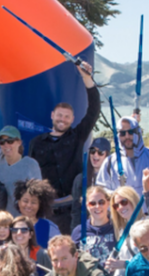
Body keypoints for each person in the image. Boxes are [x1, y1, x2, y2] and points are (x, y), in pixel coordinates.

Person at [29, 61, 100, 235]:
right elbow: (31, 175)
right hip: (46, 211)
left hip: (73, 209)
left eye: (67, 117)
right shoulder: (36, 143)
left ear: (73, 119)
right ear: (52, 116)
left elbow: (94, 110)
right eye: (59, 115)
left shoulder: (77, 137)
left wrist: (86, 78)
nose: (62, 119)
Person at [0, 120, 42, 216]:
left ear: (19, 142)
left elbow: (39, 196)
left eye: (10, 141)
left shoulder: (30, 164)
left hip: (20, 221)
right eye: (2, 142)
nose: (6, 145)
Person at [96, 116, 149, 197]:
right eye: (123, 133)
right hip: (121, 208)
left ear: (138, 132)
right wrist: (117, 196)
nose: (127, 136)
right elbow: (101, 188)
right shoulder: (110, 162)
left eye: (131, 132)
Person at [106, 186, 145, 276]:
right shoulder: (122, 230)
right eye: (116, 206)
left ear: (133, 200)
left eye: (124, 202)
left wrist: (125, 264)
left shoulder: (148, 226)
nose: (120, 207)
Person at [71, 186, 116, 267]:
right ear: (86, 205)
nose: (97, 206)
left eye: (101, 202)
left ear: (108, 203)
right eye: (92, 203)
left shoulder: (117, 228)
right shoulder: (79, 231)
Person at [71, 137, 110, 230]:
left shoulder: (113, 179)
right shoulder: (80, 179)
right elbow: (76, 210)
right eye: (93, 151)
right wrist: (76, 231)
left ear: (107, 155)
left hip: (108, 227)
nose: (95, 155)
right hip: (87, 229)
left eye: (100, 152)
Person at [14, 179, 60, 249]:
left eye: (33, 202)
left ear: (40, 205)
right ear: (19, 202)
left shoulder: (49, 227)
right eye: (25, 201)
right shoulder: (11, 226)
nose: (29, 205)